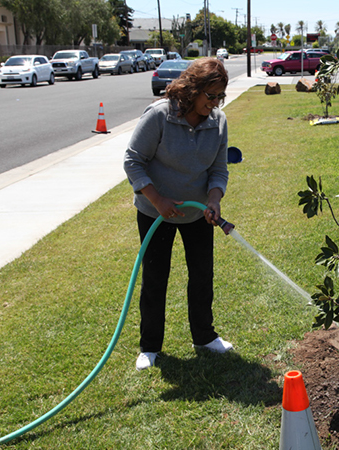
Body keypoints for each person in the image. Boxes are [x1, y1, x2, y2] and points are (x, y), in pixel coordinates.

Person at [124, 58, 232, 371]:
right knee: (156, 277)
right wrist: (157, 199)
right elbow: (133, 161)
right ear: (192, 90)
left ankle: (204, 337)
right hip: (155, 212)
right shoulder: (160, 115)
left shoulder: (218, 122)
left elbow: (218, 168)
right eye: (209, 96)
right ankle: (150, 347)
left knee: (202, 275)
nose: (213, 104)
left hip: (197, 213)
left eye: (219, 97)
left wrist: (214, 198)